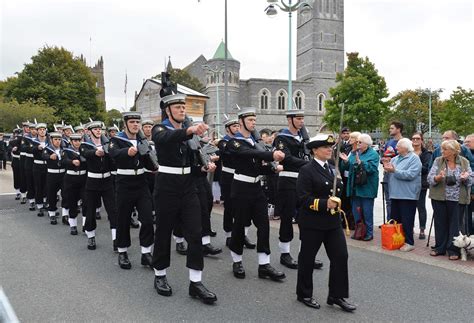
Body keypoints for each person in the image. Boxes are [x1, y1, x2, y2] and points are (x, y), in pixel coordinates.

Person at [151, 92, 217, 304]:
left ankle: (195, 282)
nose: (182, 110)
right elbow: (166, 139)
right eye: (177, 107)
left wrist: (205, 166)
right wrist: (189, 131)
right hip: (167, 187)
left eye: (183, 107)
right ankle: (160, 275)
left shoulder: (190, 135)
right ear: (168, 110)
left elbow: (192, 162)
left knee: (195, 233)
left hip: (188, 187)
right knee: (163, 232)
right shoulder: (159, 129)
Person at [296, 134, 355, 312]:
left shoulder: (333, 168)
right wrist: (323, 203)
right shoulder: (307, 170)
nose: (330, 150)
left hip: (332, 222)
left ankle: (336, 295)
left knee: (340, 256)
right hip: (312, 223)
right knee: (307, 259)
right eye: (325, 147)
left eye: (331, 147)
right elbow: (303, 198)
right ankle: (304, 293)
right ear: (314, 150)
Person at [227, 108, 286, 282]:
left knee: (264, 226)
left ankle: (264, 264)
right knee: (239, 226)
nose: (254, 123)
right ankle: (237, 261)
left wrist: (272, 167)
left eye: (254, 120)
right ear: (241, 122)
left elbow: (258, 166)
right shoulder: (235, 142)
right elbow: (248, 154)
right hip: (241, 188)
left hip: (256, 188)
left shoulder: (253, 142)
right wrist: (270, 154)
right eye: (251, 120)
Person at [273, 109, 323, 270]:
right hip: (288, 180)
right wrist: (309, 164)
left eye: (303, 118)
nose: (302, 121)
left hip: (303, 181)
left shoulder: (303, 137)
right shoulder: (282, 137)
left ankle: (306, 254)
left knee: (306, 218)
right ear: (290, 120)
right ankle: (285, 253)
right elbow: (286, 158)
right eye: (298, 118)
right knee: (287, 218)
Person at [109, 112, 155, 270]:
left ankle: (146, 252)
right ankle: (122, 251)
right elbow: (112, 154)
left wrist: (154, 163)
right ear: (126, 124)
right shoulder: (117, 139)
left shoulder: (143, 140)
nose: (136, 125)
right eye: (133, 122)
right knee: (123, 218)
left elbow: (149, 162)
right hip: (124, 183)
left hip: (141, 182)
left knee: (148, 219)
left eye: (138, 122)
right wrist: (125, 152)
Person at [428, 140, 473, 260]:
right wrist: (438, 177)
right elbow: (430, 178)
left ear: (453, 151)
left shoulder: (464, 162)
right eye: (442, 149)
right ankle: (440, 248)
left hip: (458, 199)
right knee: (440, 223)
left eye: (445, 149)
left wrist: (465, 178)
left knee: (455, 225)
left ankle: (453, 250)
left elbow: (471, 181)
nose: (442, 151)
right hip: (440, 197)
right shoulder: (438, 161)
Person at [218, 118, 255, 248]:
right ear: (228, 129)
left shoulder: (245, 141)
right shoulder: (224, 142)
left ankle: (243, 234)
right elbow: (229, 152)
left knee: (244, 207)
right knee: (229, 206)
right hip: (228, 176)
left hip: (242, 176)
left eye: (238, 126)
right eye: (234, 126)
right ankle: (228, 235)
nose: (237, 128)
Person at [80, 121, 117, 251]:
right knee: (90, 210)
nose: (97, 131)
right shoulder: (85, 144)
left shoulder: (108, 143)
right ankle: (91, 236)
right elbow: (84, 153)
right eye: (95, 129)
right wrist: (95, 153)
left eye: (99, 129)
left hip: (107, 181)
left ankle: (115, 239)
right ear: (89, 132)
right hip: (92, 182)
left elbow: (114, 157)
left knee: (113, 211)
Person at [383, 138, 421, 251]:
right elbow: (391, 170)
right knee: (395, 219)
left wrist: (395, 171)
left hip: (407, 195)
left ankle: (409, 242)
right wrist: (387, 168)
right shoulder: (395, 159)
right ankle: (397, 240)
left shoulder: (414, 158)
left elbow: (411, 174)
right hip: (395, 193)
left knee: (407, 220)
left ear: (405, 147)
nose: (396, 148)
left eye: (398, 146)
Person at [340, 133, 380, 241]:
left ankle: (369, 233)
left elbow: (372, 169)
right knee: (356, 211)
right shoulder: (354, 153)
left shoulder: (373, 154)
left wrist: (360, 162)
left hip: (367, 188)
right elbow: (347, 167)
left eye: (360, 142)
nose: (357, 143)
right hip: (354, 187)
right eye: (357, 142)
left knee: (367, 212)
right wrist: (345, 161)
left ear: (366, 144)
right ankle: (359, 232)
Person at [62, 133, 87, 235]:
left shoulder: (84, 150)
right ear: (71, 142)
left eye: (79, 141)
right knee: (72, 202)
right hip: (71, 179)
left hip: (84, 179)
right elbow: (63, 161)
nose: (77, 143)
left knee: (86, 203)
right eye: (75, 141)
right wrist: (72, 162)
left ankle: (86, 225)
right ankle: (73, 225)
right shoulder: (67, 151)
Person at [381, 122, 404, 221]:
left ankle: (399, 223)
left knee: (398, 201)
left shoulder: (404, 142)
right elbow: (385, 156)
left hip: (397, 174)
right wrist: (384, 161)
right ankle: (389, 222)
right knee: (388, 200)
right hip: (387, 175)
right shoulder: (389, 142)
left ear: (398, 129)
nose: (390, 130)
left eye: (392, 128)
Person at [411, 132, 432, 239]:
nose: (415, 140)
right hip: (408, 184)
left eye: (417, 138)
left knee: (421, 207)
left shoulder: (426, 154)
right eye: (413, 138)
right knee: (410, 207)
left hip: (421, 184)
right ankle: (410, 227)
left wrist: (412, 167)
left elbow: (425, 168)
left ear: (421, 140)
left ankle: (422, 229)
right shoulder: (408, 152)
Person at [42, 132, 65, 225]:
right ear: (51, 140)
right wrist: (49, 157)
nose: (57, 141)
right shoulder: (47, 149)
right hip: (52, 174)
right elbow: (43, 156)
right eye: (55, 139)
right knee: (51, 194)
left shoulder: (64, 150)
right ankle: (52, 213)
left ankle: (65, 214)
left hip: (63, 175)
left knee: (65, 194)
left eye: (59, 139)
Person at [31, 123, 49, 217]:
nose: (42, 131)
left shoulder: (49, 141)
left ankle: (46, 202)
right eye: (40, 129)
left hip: (47, 166)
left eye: (44, 129)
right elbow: (30, 150)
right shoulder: (34, 141)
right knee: (38, 186)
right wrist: (37, 148)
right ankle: (39, 206)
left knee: (47, 185)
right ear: (37, 131)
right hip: (38, 166)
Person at [464, 134, 474, 234]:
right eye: (465, 142)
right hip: (467, 192)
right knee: (467, 218)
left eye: (468, 142)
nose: (465, 144)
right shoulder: (464, 155)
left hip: (472, 192)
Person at [9, 128, 22, 199]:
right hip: (16, 159)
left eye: (18, 133)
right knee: (16, 176)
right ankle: (17, 192)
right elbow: (8, 148)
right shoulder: (12, 142)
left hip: (23, 159)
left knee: (24, 177)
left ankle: (24, 192)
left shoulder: (22, 140)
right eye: (15, 134)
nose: (16, 135)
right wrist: (12, 149)